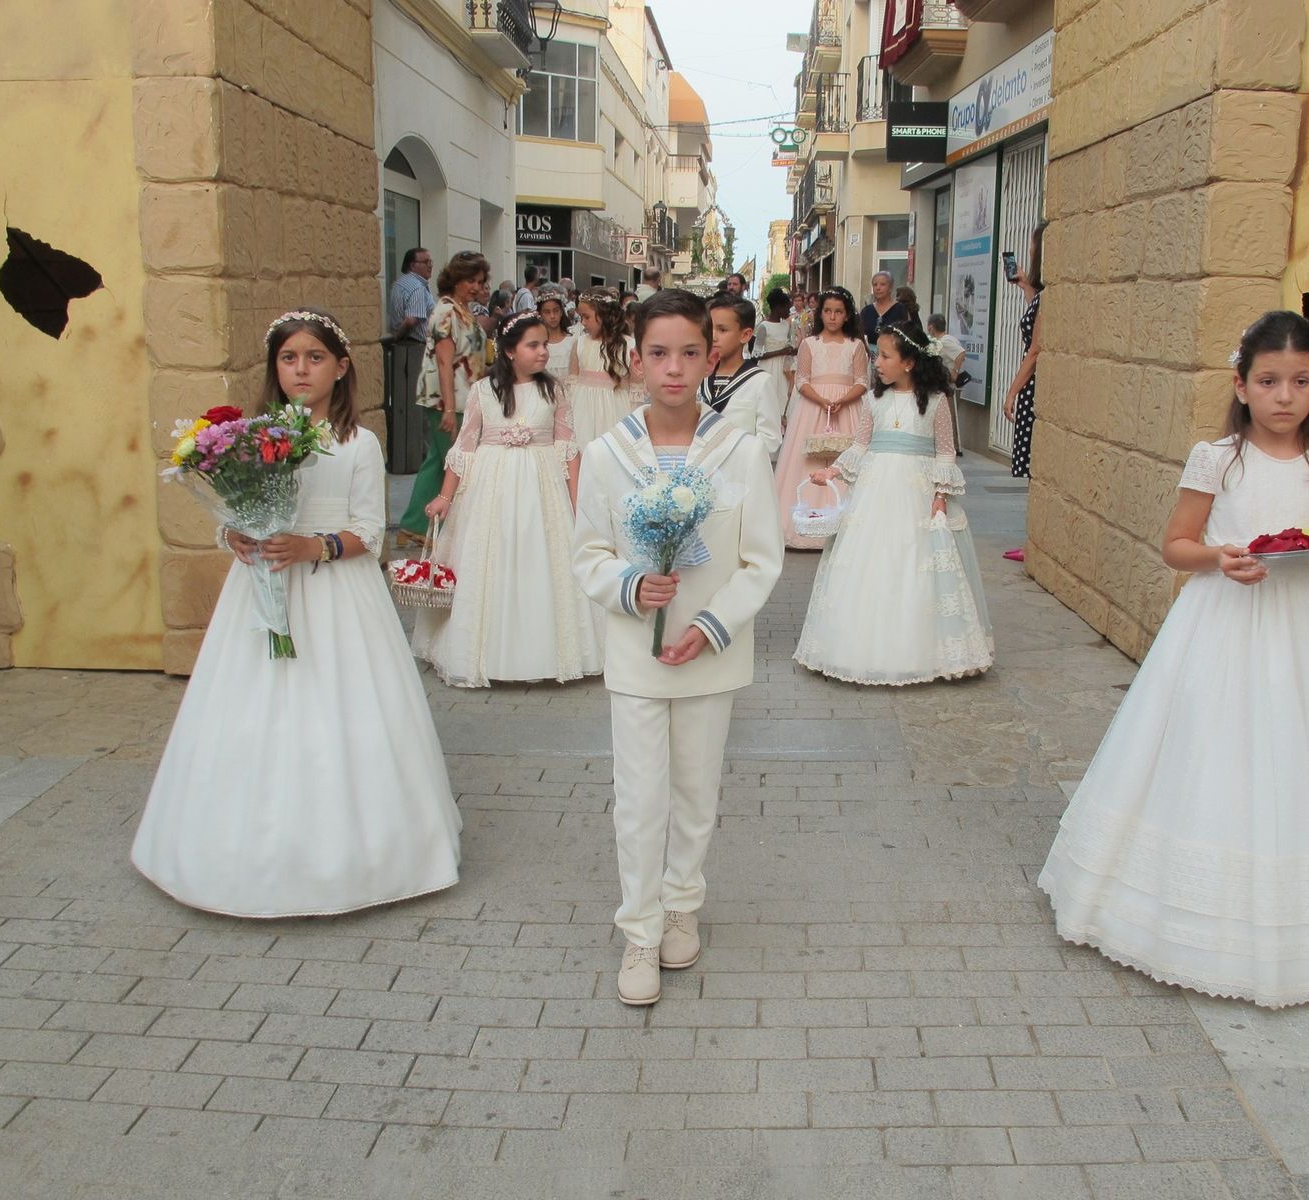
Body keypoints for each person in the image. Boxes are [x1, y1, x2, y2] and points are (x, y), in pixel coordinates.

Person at [1038, 310, 1309, 1008]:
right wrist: (1218, 557)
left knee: (1302, 760)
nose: (1284, 396)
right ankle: (1179, 916)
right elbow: (1176, 544)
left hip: (1304, 634)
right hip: (1223, 622)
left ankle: (1301, 929)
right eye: (1268, 381)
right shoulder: (1219, 458)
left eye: (1300, 381)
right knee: (1213, 753)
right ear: (1241, 385)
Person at [132, 309, 462, 917]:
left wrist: (316, 546)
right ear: (274, 369)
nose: (301, 369)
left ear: (341, 367)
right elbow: (232, 510)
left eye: (314, 357)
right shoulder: (252, 438)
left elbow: (369, 528)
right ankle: (229, 849)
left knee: (338, 705)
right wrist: (234, 535)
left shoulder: (358, 443)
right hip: (263, 586)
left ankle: (365, 852)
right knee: (255, 703)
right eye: (289, 359)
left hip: (336, 594)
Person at [571, 289, 783, 1006]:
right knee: (638, 798)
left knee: (696, 787)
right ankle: (639, 928)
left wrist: (711, 624)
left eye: (689, 352)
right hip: (636, 652)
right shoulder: (606, 455)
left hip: (710, 653)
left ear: (712, 356)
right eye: (658, 353)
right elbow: (588, 553)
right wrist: (631, 586)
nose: (673, 368)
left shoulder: (742, 451)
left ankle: (681, 905)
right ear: (635, 361)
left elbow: (761, 560)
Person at [413, 311, 603, 688]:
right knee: (490, 559)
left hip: (542, 485)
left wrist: (578, 502)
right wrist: (445, 497)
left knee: (541, 560)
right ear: (510, 351)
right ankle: (486, 652)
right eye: (533, 345)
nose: (543, 352)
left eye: (545, 345)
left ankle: (547, 650)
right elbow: (465, 447)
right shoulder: (484, 391)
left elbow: (568, 448)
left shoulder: (555, 390)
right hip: (492, 486)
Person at [796, 325, 993, 684]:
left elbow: (946, 452)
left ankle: (919, 649)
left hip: (915, 494)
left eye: (886, 356)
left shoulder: (935, 402)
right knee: (869, 563)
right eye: (877, 355)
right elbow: (860, 445)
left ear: (910, 362)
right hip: (874, 491)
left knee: (914, 564)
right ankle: (857, 648)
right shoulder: (873, 400)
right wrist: (834, 471)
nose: (878, 362)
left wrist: (939, 496)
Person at [399, 252, 490, 538]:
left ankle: (415, 524)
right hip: (447, 399)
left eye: (480, 281)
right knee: (452, 459)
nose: (476, 286)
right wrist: (449, 409)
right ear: (455, 280)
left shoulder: (462, 309)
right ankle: (419, 523)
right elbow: (443, 361)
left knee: (440, 459)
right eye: (469, 280)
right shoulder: (446, 310)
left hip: (463, 398)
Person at [772, 286, 869, 549]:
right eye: (828, 311)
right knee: (805, 462)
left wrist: (843, 399)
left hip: (847, 408)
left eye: (839, 312)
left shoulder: (856, 345)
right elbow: (802, 380)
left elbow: (862, 381)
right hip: (813, 408)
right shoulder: (809, 344)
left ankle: (843, 524)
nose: (833, 317)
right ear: (820, 314)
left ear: (847, 315)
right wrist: (822, 400)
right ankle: (802, 524)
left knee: (844, 462)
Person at [701, 294, 783, 457]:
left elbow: (771, 440)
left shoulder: (759, 381)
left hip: (736, 472)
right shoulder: (699, 376)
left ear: (745, 335)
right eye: (709, 329)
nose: (713, 336)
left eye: (722, 330)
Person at [568, 289, 641, 448]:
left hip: (616, 408)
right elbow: (571, 383)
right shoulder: (579, 344)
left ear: (605, 315)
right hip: (583, 410)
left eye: (586, 317)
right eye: (580, 317)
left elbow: (637, 388)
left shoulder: (630, 346)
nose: (583, 322)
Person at [1002, 222, 1045, 481]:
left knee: (1032, 467)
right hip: (1030, 384)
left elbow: (1035, 349)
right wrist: (1025, 286)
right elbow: (1035, 315)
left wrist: (1012, 392)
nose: (1028, 250)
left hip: (1031, 385)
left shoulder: (1047, 295)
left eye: (1032, 244)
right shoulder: (1041, 295)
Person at [753, 288, 797, 415]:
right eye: (786, 308)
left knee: (783, 396)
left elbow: (788, 343)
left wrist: (791, 351)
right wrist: (780, 352)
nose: (789, 311)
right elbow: (757, 355)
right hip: (768, 367)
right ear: (777, 307)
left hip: (783, 368)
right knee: (769, 397)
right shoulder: (764, 326)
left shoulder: (786, 325)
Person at [927, 313, 967, 455]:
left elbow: (961, 353)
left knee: (948, 415)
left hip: (947, 383)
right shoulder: (945, 339)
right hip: (945, 382)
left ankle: (953, 446)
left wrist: (955, 372)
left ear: (931, 327)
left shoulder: (945, 341)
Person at [388, 247, 434, 341]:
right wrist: (397, 337)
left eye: (430, 262)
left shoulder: (399, 283)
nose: (430, 266)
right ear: (412, 266)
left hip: (404, 347)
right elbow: (410, 320)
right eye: (426, 262)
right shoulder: (417, 287)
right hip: (417, 346)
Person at [859, 271, 908, 349]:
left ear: (890, 287)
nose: (878, 288)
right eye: (875, 285)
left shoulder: (900, 309)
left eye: (882, 284)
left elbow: (905, 335)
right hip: (868, 355)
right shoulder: (866, 311)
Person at [538, 288, 576, 383]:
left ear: (561, 312)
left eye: (556, 311)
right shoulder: (539, 345)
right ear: (541, 315)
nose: (552, 316)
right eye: (547, 312)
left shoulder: (572, 342)